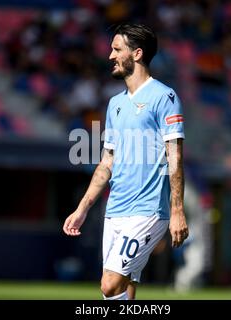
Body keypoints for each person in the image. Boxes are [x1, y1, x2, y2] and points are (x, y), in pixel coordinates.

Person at [63, 23, 189, 300]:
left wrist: (177, 209)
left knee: (109, 284)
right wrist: (83, 208)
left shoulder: (164, 97)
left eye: (117, 49)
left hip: (148, 210)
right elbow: (107, 162)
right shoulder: (115, 104)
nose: (110, 55)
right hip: (115, 210)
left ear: (137, 54)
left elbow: (175, 156)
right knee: (122, 291)